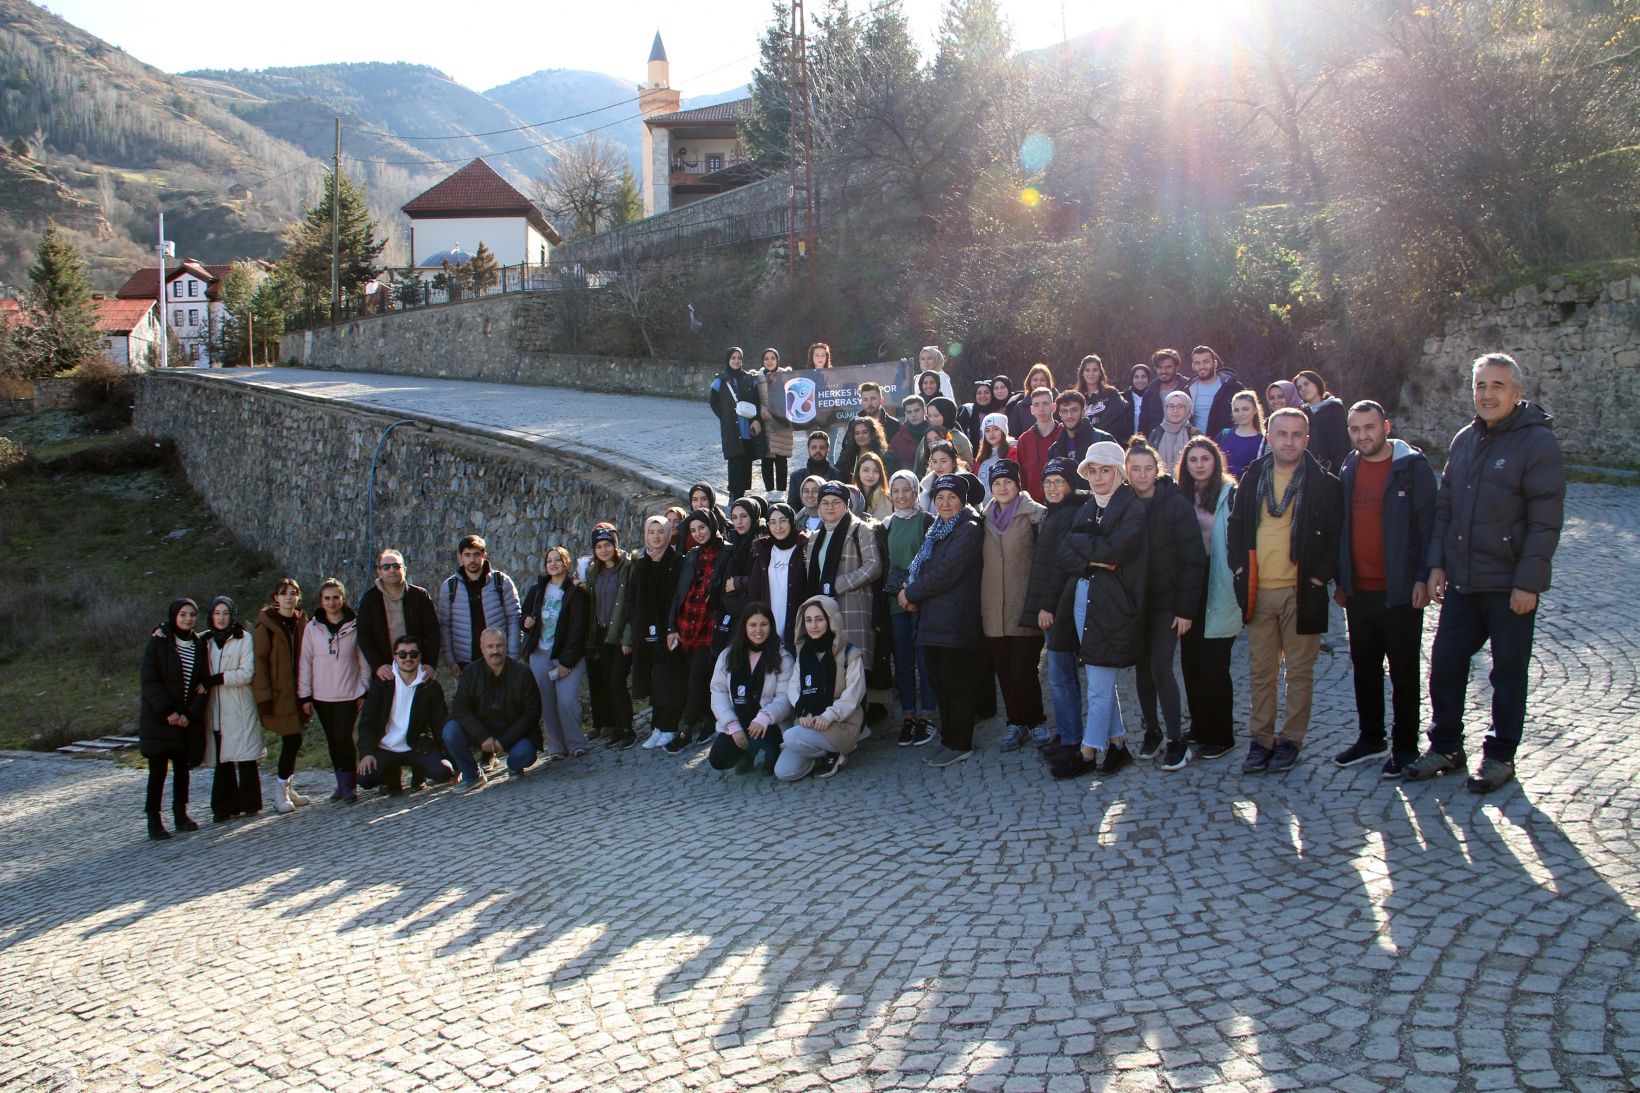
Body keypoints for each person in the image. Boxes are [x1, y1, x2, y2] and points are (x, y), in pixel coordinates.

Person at [1406, 353, 1564, 793]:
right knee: (1445, 662)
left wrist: (1528, 583)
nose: (1487, 394)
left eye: (1497, 386)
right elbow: (1446, 508)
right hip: (1463, 580)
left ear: (1517, 392)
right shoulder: (1464, 440)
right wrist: (1436, 563)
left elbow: (1545, 520)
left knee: (1507, 671)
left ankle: (1499, 756)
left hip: (1509, 583)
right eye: (1480, 386)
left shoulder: (1537, 444)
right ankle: (1447, 747)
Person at [1227, 407, 1344, 774]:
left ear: (1306, 440)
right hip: (1259, 589)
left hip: (1301, 591)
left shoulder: (1325, 484)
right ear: (1271, 437)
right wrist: (1240, 567)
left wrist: (1319, 578)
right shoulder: (1254, 475)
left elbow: (1337, 538)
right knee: (1261, 671)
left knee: (1299, 672)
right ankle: (1261, 739)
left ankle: (1291, 739)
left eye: (1296, 435)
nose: (1289, 441)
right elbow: (1235, 525)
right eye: (1282, 434)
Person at [1331, 401, 1439, 777]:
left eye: (1370, 427)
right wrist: (1342, 579)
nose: (1363, 436)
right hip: (1359, 590)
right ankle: (1371, 737)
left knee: (1404, 671)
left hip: (1401, 590)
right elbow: (1342, 525)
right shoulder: (1350, 465)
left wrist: (1424, 576)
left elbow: (1430, 525)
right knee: (1364, 667)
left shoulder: (1412, 469)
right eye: (1355, 429)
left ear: (1386, 426)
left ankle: (1406, 746)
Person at [1050, 443, 1148, 778]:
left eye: (1105, 470)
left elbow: (1117, 550)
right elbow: (1064, 552)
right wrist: (1094, 558)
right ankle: (1118, 746)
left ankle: (1089, 751)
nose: (1098, 477)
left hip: (1115, 601)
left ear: (1119, 473)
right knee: (1098, 674)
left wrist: (1086, 550)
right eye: (1092, 471)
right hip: (1083, 595)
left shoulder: (1132, 508)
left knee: (1098, 680)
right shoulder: (1088, 506)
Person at [1123, 438, 1206, 769]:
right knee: (1142, 669)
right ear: (1126, 472)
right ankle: (1152, 731)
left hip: (1168, 602)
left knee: (1160, 665)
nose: (1142, 475)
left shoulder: (1176, 504)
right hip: (1136, 602)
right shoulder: (1123, 503)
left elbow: (1193, 559)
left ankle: (1176, 738)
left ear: (1157, 470)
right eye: (1135, 469)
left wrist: (1186, 609)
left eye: (1148, 469)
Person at [901, 472, 986, 767]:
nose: (945, 503)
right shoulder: (937, 528)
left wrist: (911, 593)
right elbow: (924, 567)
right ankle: (949, 739)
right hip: (933, 618)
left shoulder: (969, 528)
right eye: (940, 497)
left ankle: (960, 742)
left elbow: (947, 572)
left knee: (956, 683)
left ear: (962, 500)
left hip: (955, 619)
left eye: (951, 497)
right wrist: (910, 590)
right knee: (939, 682)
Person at [1177, 438, 1242, 762]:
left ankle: (1222, 735)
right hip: (1191, 581)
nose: (1200, 464)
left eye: (1205, 458)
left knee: (1214, 662)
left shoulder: (1230, 493)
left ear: (1216, 461)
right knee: (1190, 659)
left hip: (1220, 580)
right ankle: (1200, 726)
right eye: (1193, 460)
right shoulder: (1183, 494)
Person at [1021, 457, 1090, 761]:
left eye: (1058, 482)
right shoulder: (1057, 513)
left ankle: (1070, 738)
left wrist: (1047, 606)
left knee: (1061, 677)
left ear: (1070, 485)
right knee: (1063, 677)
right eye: (1047, 482)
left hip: (1060, 607)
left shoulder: (1069, 515)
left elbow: (1062, 566)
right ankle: (1067, 733)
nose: (1051, 487)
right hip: (1058, 604)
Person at [980, 460, 1047, 751]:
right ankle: (1015, 723)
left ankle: (1036, 720)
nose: (1002, 487)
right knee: (1004, 670)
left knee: (1024, 669)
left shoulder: (1036, 516)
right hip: (993, 607)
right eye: (997, 484)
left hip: (1024, 607)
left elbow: (1047, 561)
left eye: (1007, 482)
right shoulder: (982, 519)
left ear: (1017, 485)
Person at [776, 595, 867, 779]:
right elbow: (794, 688)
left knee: (791, 737)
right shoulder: (804, 654)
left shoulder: (850, 653)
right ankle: (824, 755)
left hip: (840, 722)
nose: (813, 626)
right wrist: (804, 712)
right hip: (809, 720)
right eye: (808, 620)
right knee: (784, 772)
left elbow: (853, 695)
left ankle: (838, 749)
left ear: (831, 620)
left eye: (819, 619)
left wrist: (828, 715)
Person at [139, 599, 208, 839]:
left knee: (182, 769)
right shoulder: (159, 642)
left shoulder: (199, 644)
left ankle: (181, 814)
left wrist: (189, 715)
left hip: (184, 720)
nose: (188, 619)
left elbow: (202, 685)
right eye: (182, 615)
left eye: (192, 615)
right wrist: (168, 711)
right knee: (158, 772)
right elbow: (149, 681)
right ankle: (154, 820)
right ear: (173, 617)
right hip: (159, 718)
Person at [298, 578, 370, 801]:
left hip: (348, 692)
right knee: (332, 739)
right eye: (327, 598)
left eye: (336, 598)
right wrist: (305, 695)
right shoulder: (312, 628)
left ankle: (351, 786)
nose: (332, 603)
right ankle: (341, 783)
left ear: (343, 599)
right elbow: (305, 662)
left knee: (343, 737)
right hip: (321, 695)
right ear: (321, 601)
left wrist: (364, 690)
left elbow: (364, 661)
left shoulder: (356, 626)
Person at [355, 635, 455, 794]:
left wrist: (453, 760)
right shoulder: (382, 683)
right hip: (386, 747)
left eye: (413, 654)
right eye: (402, 654)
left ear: (420, 656)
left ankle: (419, 771)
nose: (408, 658)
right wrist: (366, 753)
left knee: (443, 771)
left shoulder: (430, 686)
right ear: (395, 657)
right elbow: (368, 721)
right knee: (365, 778)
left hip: (416, 745)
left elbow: (440, 724)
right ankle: (391, 775)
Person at [520, 546, 593, 761]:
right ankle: (556, 747)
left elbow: (578, 630)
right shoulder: (537, 590)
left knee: (567, 701)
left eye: (558, 560)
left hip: (567, 655)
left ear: (566, 563)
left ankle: (576, 743)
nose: (553, 564)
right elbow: (524, 616)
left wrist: (566, 662)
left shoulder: (575, 591)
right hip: (540, 654)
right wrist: (526, 622)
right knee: (547, 703)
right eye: (549, 560)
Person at [443, 628, 543, 785]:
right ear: (482, 649)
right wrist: (482, 736)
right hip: (481, 728)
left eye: (499, 646)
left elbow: (532, 713)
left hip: (513, 730)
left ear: (506, 646)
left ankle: (514, 766)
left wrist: (503, 741)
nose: (495, 651)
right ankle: (472, 775)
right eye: (489, 647)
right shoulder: (470, 672)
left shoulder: (522, 674)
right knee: (450, 731)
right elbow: (460, 708)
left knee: (525, 754)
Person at [624, 515, 690, 749]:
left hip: (669, 630)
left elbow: (678, 595)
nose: (656, 536)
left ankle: (669, 726)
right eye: (651, 532)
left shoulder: (677, 561)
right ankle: (658, 726)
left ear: (667, 533)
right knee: (654, 681)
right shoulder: (642, 564)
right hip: (646, 632)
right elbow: (630, 597)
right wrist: (637, 617)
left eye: (660, 531)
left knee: (669, 680)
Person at [707, 602, 794, 775]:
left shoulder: (783, 657)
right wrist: (732, 726)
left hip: (769, 722)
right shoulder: (728, 655)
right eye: (752, 625)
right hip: (739, 719)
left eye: (764, 625)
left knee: (769, 734)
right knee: (719, 758)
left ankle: (773, 752)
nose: (758, 630)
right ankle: (747, 752)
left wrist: (764, 718)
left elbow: (785, 697)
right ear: (744, 627)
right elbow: (718, 692)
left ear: (771, 626)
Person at [667, 510, 727, 751]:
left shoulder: (726, 552)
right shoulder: (692, 555)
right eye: (693, 530)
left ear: (712, 526)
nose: (698, 533)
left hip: (709, 625)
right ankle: (709, 720)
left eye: (702, 528)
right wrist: (672, 626)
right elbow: (680, 593)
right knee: (695, 677)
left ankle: (686, 730)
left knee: (697, 677)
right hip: (687, 624)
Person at [884, 470, 936, 746]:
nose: (901, 496)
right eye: (896, 491)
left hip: (922, 602)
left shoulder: (927, 521)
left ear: (916, 491)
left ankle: (927, 716)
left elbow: (931, 562)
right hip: (895, 604)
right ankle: (908, 716)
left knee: (924, 661)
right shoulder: (886, 525)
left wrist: (913, 591)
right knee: (903, 663)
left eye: (907, 490)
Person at [804, 480, 882, 662]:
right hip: (823, 610)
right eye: (824, 502)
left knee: (853, 666)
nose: (829, 507)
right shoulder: (814, 537)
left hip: (852, 605)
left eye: (836, 502)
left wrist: (838, 584)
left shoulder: (860, 529)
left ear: (846, 504)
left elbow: (874, 566)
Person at [202, 596, 262, 822]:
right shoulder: (205, 639)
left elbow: (247, 672)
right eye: (217, 613)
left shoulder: (243, 638)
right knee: (222, 757)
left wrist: (218, 678)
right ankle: (224, 806)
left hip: (237, 701)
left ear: (232, 615)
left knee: (245, 754)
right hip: (215, 705)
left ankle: (250, 803)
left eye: (225, 613)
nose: (221, 618)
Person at [253, 578, 310, 814]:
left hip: (298, 691)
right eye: (283, 593)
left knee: (295, 739)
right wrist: (264, 696)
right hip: (279, 692)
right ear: (275, 598)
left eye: (293, 593)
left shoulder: (301, 622)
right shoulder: (266, 625)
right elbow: (260, 662)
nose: (288, 597)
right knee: (292, 739)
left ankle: (288, 786)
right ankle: (280, 790)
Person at [582, 524, 636, 749]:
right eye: (598, 546)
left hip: (621, 633)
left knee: (617, 681)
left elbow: (632, 604)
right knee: (607, 681)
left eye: (607, 545)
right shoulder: (594, 571)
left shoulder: (628, 568)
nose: (603, 550)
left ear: (615, 545)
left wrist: (627, 638)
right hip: (602, 633)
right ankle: (615, 726)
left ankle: (628, 729)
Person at [437, 534, 521, 676]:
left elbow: (514, 619)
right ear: (460, 557)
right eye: (467, 555)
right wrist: (451, 661)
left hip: (498, 658)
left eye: (476, 554)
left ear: (484, 555)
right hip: (465, 661)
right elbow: (445, 625)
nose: (472, 560)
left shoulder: (502, 582)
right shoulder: (450, 587)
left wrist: (512, 656)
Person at [357, 549, 440, 682]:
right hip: (385, 670)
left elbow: (433, 631)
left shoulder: (420, 596)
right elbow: (363, 635)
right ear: (379, 572)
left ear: (404, 569)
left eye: (396, 566)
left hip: (417, 668)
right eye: (386, 567)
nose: (392, 570)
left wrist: (430, 664)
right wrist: (378, 665)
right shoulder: (370, 599)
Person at [748, 502, 810, 650]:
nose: (778, 527)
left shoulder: (804, 547)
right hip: (768, 633)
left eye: (783, 521)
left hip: (798, 630)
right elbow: (754, 594)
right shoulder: (763, 551)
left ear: (792, 521)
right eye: (773, 522)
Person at [710, 346, 762, 500]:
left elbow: (756, 401)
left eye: (739, 358)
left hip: (747, 426)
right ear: (728, 360)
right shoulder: (721, 380)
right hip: (732, 428)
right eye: (733, 358)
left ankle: (743, 494)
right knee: (735, 461)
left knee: (746, 461)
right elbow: (714, 402)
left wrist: (755, 419)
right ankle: (734, 494)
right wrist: (725, 418)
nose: (736, 361)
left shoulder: (748, 379)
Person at [1013, 387, 1064, 503]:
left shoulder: (1065, 434)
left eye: (1045, 404)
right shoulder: (1024, 440)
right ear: (1032, 410)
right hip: (1034, 507)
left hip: (1064, 504)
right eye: (1036, 405)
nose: (1041, 409)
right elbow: (1022, 478)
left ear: (1054, 407)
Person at [1294, 369, 1350, 474]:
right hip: (1307, 471)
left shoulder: (1333, 409)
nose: (1303, 389)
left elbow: (1341, 443)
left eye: (1306, 384)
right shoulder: (1301, 413)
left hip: (1331, 471)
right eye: (1300, 388)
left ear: (1316, 383)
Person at [1185, 345, 1245, 438]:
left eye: (1206, 362)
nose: (1202, 366)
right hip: (1198, 446)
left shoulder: (1233, 388)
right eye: (1197, 363)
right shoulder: (1187, 391)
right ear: (1193, 366)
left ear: (1215, 363)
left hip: (1226, 444)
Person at [755, 347, 792, 492]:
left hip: (781, 423)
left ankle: (782, 491)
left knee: (781, 459)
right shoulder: (757, 379)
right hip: (765, 424)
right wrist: (763, 411)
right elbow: (754, 399)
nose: (769, 361)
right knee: (767, 459)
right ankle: (769, 491)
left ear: (777, 360)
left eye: (772, 358)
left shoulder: (785, 377)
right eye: (766, 358)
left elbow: (791, 397)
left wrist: (777, 411)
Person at [1047, 389, 1116, 466]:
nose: (1069, 415)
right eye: (1064, 411)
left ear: (1083, 412)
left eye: (1074, 410)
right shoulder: (1055, 450)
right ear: (1060, 414)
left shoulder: (1102, 439)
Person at [913, 396, 973, 474]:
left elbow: (969, 468)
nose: (932, 419)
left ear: (947, 414)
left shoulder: (960, 439)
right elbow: (918, 465)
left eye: (936, 415)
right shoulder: (927, 438)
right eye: (929, 416)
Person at [1148, 390, 1201, 476]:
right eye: (1171, 406)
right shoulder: (1157, 433)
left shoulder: (1195, 434)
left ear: (1187, 408)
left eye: (1180, 406)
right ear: (1165, 408)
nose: (1175, 410)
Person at [1073, 354, 1128, 436]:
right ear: (1082, 373)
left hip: (1105, 441)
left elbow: (1117, 418)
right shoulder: (1075, 397)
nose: (1091, 374)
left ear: (1100, 373)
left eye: (1095, 370)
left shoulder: (1111, 394)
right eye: (1087, 370)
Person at [1215, 391, 1266, 480]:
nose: (1240, 414)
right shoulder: (1224, 435)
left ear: (1255, 410)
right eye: (1236, 410)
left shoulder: (1263, 440)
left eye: (1245, 409)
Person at [786, 431, 844, 508]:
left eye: (822, 447)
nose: (818, 451)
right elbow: (792, 506)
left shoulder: (837, 475)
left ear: (827, 451)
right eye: (814, 447)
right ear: (808, 450)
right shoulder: (796, 476)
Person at [1138, 349, 1190, 435]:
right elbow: (1143, 427)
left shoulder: (1188, 389)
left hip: (1183, 443)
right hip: (1155, 444)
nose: (1163, 371)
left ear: (1176, 367)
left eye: (1168, 367)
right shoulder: (1149, 394)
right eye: (1160, 367)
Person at [1006, 364, 1056, 436]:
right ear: (1030, 382)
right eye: (1035, 380)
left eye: (1043, 380)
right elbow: (1014, 435)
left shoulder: (1058, 403)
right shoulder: (1020, 407)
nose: (1039, 383)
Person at [917, 440, 965, 514]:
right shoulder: (927, 487)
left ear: (954, 462)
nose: (938, 466)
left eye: (943, 461)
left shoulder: (965, 485)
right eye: (935, 462)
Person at [973, 413, 1014, 495]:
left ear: (1003, 431)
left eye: (995, 429)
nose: (991, 434)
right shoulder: (982, 455)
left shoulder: (1013, 453)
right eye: (987, 430)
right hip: (983, 505)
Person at [958, 377, 1000, 450]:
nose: (983, 396)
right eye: (979, 393)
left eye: (987, 392)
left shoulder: (998, 412)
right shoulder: (967, 411)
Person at [889, 395, 928, 471]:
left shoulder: (935, 433)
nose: (913, 415)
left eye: (917, 410)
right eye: (909, 412)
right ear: (905, 414)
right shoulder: (897, 440)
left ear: (924, 411)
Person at [854, 452, 893, 520]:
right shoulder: (851, 497)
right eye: (866, 470)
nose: (870, 475)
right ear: (858, 472)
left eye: (876, 471)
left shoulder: (889, 499)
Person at [1124, 363, 1155, 439]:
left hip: (1148, 442)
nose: (1140, 380)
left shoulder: (1154, 397)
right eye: (1136, 377)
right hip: (1127, 442)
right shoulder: (1123, 398)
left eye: (1143, 377)